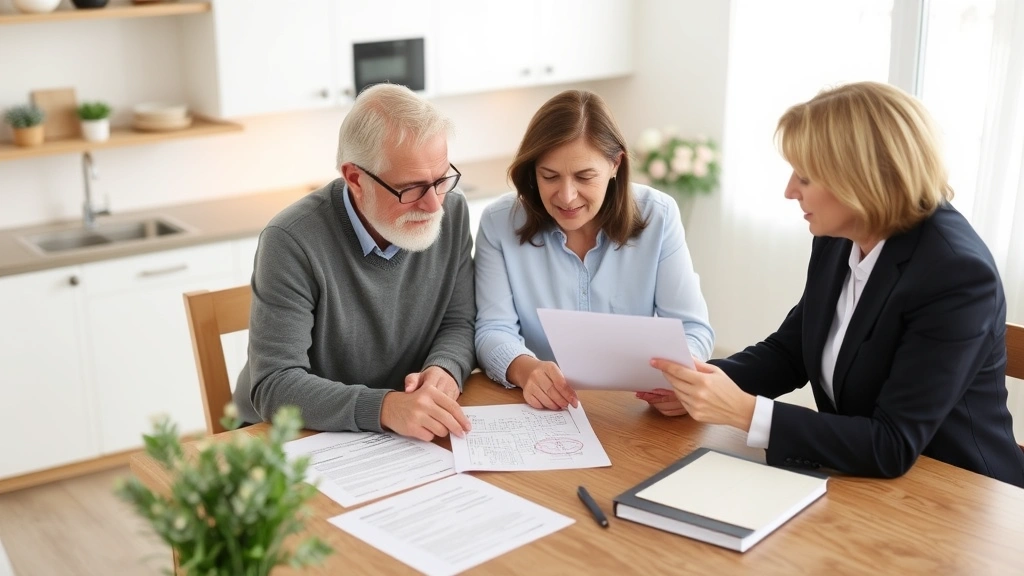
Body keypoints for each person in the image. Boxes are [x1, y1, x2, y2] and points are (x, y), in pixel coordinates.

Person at [650, 81, 1024, 486]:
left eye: (806, 178)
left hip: (960, 497)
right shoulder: (839, 236)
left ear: (860, 179)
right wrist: (699, 383)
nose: (789, 190)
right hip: (860, 480)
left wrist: (743, 411)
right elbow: (790, 352)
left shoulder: (957, 275)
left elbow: (891, 444)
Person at [232, 83, 476, 442]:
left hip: (393, 431)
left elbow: (459, 321)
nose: (434, 205)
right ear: (355, 178)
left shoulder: (452, 213)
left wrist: (445, 368)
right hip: (290, 434)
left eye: (441, 181)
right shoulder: (291, 240)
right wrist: (385, 407)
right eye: (411, 189)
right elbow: (275, 383)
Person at [474, 89, 715, 411]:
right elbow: (493, 329)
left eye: (584, 176)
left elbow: (692, 327)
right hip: (543, 409)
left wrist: (680, 379)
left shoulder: (658, 215)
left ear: (615, 164)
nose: (567, 196)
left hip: (631, 411)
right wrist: (526, 370)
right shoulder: (499, 222)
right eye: (549, 177)